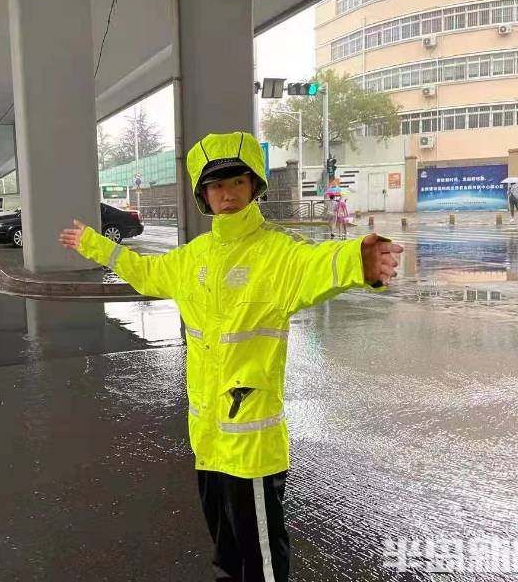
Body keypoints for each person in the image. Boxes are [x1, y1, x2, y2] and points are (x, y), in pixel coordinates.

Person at [59, 132, 402, 582]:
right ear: (204, 195)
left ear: (253, 187)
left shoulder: (275, 254)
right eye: (216, 186)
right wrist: (97, 246)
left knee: (262, 559)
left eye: (237, 183)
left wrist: (359, 259)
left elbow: (315, 264)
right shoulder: (194, 257)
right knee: (227, 554)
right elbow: (146, 273)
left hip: (251, 442)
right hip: (208, 439)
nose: (227, 194)